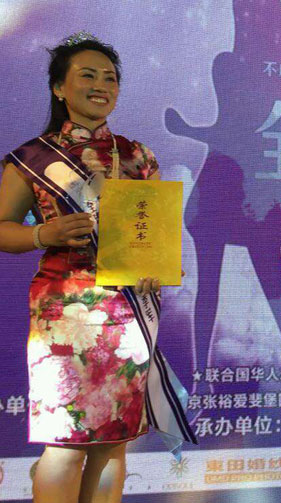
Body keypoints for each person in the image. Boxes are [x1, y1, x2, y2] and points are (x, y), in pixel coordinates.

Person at [0, 32, 194, 503]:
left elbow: (153, 232)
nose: (101, 86)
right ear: (59, 88)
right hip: (65, 313)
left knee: (113, 441)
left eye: (110, 78)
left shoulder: (138, 155)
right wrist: (43, 234)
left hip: (130, 312)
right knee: (65, 442)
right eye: (87, 75)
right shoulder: (32, 158)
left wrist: (157, 264)